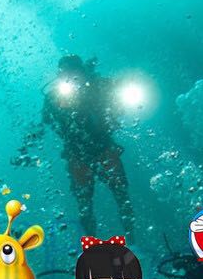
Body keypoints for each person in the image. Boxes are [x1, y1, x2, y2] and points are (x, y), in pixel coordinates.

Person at [41, 55, 136, 241]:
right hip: (77, 154)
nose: (71, 78)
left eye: (74, 72)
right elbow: (45, 121)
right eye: (65, 74)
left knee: (121, 194)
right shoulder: (54, 98)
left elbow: (120, 98)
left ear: (83, 71)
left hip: (103, 147)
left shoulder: (99, 85)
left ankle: (132, 239)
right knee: (84, 203)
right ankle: (91, 243)